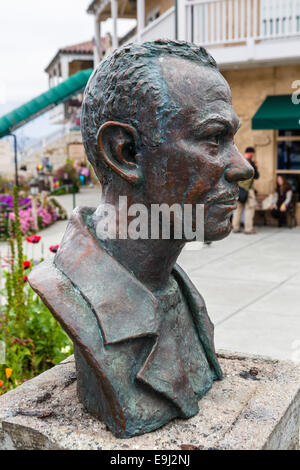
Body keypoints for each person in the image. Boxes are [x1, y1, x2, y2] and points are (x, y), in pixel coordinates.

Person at [29, 40, 253, 438]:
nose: (242, 167)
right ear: (126, 152)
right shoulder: (70, 291)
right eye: (214, 138)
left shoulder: (177, 289)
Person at [232, 146, 259, 234]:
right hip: (247, 189)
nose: (253, 155)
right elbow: (256, 176)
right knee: (250, 208)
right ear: (251, 153)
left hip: (239, 189)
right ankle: (248, 228)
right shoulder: (249, 163)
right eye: (253, 154)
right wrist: (256, 167)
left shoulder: (239, 161)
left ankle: (235, 227)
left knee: (238, 208)